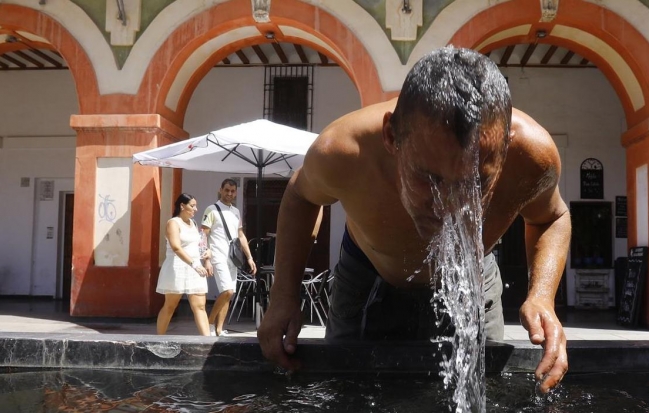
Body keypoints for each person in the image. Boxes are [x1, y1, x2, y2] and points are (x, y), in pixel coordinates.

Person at [258, 47, 571, 393]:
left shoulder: (533, 157)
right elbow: (301, 196)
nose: (449, 208)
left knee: (488, 394)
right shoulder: (343, 151)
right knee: (346, 399)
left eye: (474, 183)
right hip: (367, 276)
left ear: (507, 147)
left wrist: (542, 296)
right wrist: (284, 295)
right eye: (430, 179)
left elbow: (552, 216)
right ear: (392, 137)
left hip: (474, 275)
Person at [202, 179, 257, 336]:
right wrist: (206, 258)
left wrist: (250, 257)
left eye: (232, 191)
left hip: (232, 257)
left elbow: (241, 235)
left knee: (229, 293)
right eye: (227, 190)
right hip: (217, 255)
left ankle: (219, 329)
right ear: (220, 190)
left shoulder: (236, 212)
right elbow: (203, 234)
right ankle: (209, 323)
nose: (229, 193)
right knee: (227, 291)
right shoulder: (211, 210)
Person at [156, 193, 212, 336]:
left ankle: (207, 342)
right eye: (192, 206)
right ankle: (158, 340)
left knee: (200, 306)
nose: (196, 209)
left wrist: (206, 254)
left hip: (195, 268)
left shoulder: (193, 223)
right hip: (177, 267)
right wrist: (194, 264)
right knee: (170, 306)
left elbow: (198, 244)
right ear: (182, 206)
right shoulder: (173, 223)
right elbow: (176, 247)